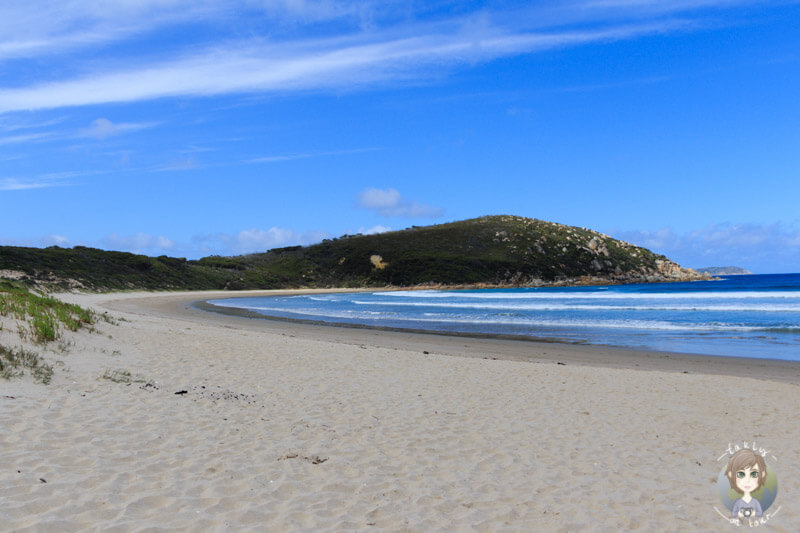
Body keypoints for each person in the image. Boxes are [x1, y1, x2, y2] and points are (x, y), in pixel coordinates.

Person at [725, 448, 767, 520]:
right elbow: (734, 513)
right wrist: (740, 514)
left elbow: (760, 513)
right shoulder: (739, 502)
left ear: (762, 474)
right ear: (731, 475)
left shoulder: (755, 502)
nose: (747, 480)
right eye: (741, 474)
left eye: (754, 474)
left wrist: (752, 513)